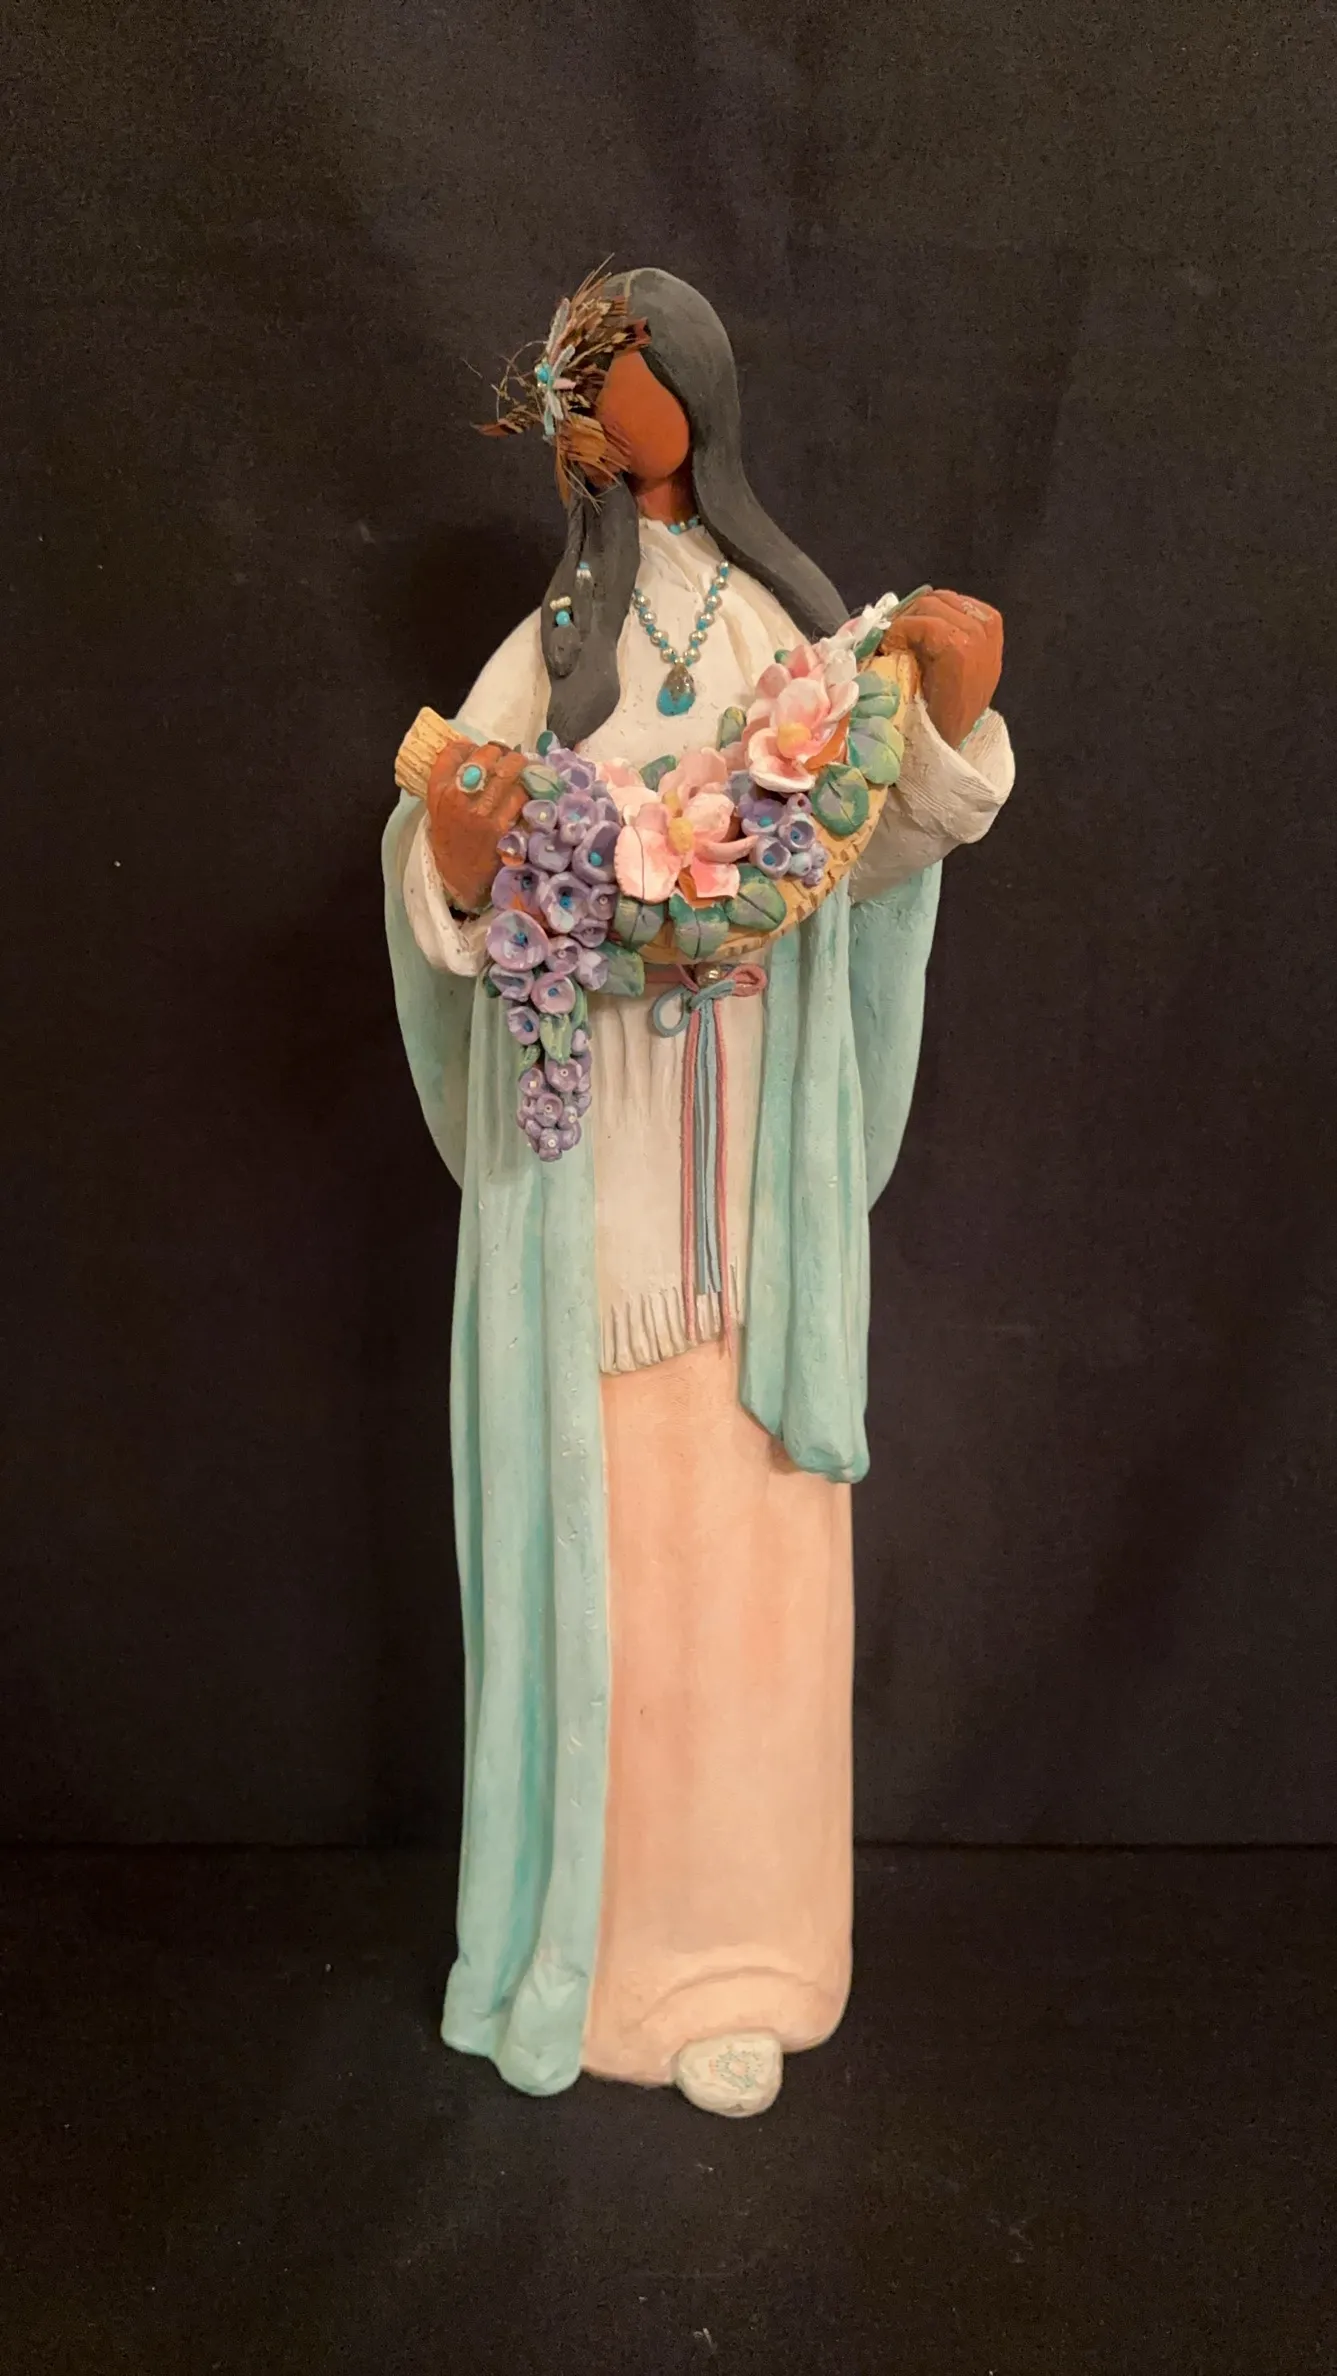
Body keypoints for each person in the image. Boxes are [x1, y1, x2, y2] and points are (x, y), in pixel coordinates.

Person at [384, 268, 1012, 2116]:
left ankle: (745, 1952)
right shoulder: (548, 649)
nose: (581, 402)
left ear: (692, 390)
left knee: (743, 1575)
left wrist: (950, 719)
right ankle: (594, 1948)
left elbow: (866, 842)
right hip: (589, 1179)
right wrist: (465, 857)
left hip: (748, 1193)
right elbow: (443, 858)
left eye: (610, 369)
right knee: (613, 1569)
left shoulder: (786, 636)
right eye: (567, 377)